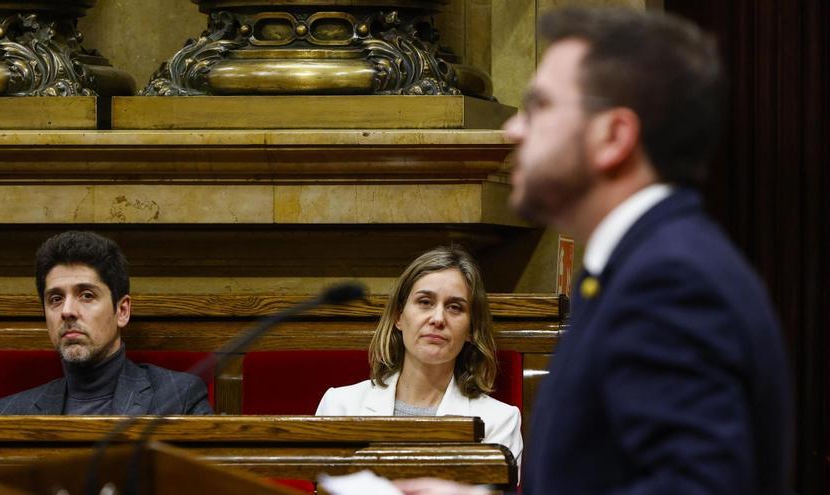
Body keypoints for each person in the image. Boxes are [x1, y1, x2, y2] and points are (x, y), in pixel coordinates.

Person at [394, 7, 790, 495]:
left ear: (613, 137)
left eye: (540, 107)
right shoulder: (637, 266)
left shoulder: (670, 280)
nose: (515, 130)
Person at [316, 246, 523, 465]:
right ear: (398, 316)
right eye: (425, 302)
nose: (438, 319)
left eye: (454, 307)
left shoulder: (499, 421)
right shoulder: (340, 406)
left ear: (471, 329)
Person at [0, 231, 212, 415]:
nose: (67, 311)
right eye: (55, 299)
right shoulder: (8, 412)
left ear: (122, 311)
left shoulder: (178, 396)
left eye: (86, 295)